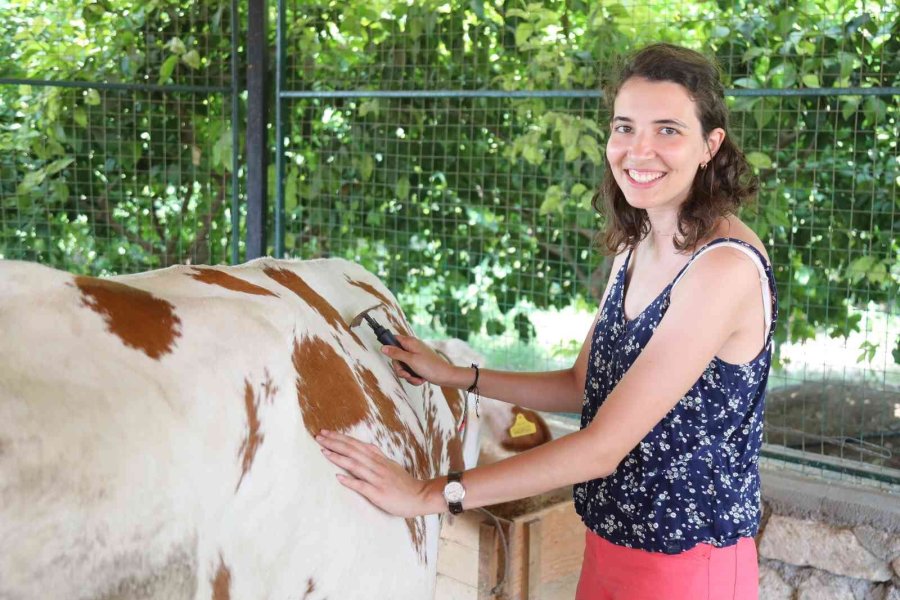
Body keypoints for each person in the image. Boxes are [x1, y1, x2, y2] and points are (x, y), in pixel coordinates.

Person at [315, 43, 775, 600]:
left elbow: (602, 446)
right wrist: (456, 376)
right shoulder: (640, 245)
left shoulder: (722, 267)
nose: (639, 149)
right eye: (624, 127)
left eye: (668, 130)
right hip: (608, 547)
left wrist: (427, 494)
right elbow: (581, 386)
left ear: (710, 144)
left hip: (687, 569)